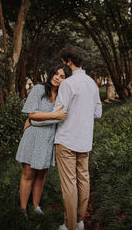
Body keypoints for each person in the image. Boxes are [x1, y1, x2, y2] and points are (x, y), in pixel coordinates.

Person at [34, 46, 102, 230]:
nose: (63, 67)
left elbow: (59, 112)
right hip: (85, 140)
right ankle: (79, 220)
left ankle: (70, 225)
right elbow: (98, 112)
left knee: (69, 185)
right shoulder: (91, 83)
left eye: (64, 63)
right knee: (83, 180)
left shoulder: (68, 84)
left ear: (69, 62)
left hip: (66, 141)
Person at [15, 63, 72, 218]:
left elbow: (60, 118)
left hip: (48, 138)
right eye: (56, 74)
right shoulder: (39, 89)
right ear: (51, 73)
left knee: (41, 174)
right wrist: (53, 116)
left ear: (65, 81)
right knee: (28, 173)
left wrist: (39, 119)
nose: (57, 78)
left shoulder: (63, 97)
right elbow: (31, 115)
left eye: (62, 76)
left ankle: (35, 206)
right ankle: (22, 210)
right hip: (33, 137)